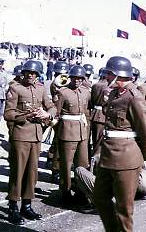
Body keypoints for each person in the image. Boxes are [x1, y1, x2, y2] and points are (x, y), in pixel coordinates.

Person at [93, 56, 146, 232]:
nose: (107, 78)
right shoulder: (112, 93)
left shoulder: (134, 97)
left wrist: (142, 157)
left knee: (124, 208)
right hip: (108, 155)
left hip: (127, 159)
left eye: (109, 74)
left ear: (118, 75)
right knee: (99, 197)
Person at [4, 60, 56, 225]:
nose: (30, 75)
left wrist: (47, 115)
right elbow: (8, 114)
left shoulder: (41, 88)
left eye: (34, 73)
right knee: (17, 172)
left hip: (36, 136)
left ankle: (26, 205)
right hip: (20, 135)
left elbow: (52, 106)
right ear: (23, 73)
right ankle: (12, 207)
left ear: (38, 75)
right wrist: (26, 116)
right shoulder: (15, 88)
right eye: (28, 73)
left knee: (32, 173)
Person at [54, 65, 91, 207]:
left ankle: (82, 192)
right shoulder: (63, 92)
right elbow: (56, 113)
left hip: (82, 133)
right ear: (70, 78)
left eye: (80, 78)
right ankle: (65, 192)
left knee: (83, 165)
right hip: (67, 132)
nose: (77, 81)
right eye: (75, 78)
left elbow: (87, 111)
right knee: (66, 165)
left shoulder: (86, 92)